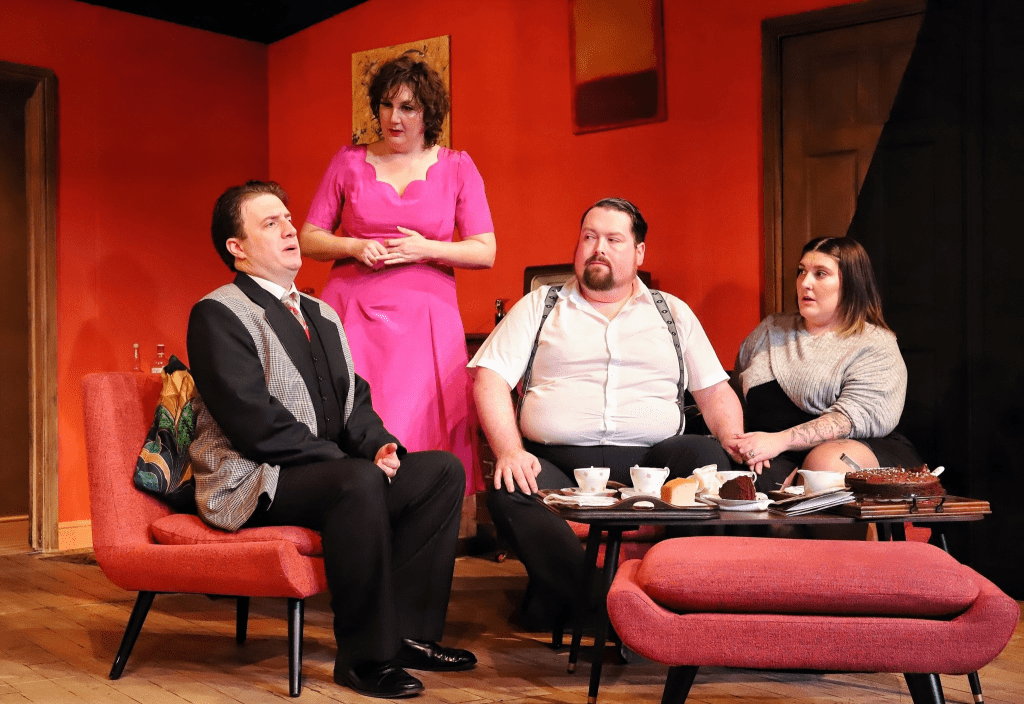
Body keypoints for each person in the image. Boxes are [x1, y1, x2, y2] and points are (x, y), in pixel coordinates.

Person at [187, 181, 475, 699]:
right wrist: (347, 461)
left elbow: (353, 401)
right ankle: (365, 659)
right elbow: (253, 423)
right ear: (237, 247)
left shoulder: (321, 314)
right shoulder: (218, 313)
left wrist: (379, 446)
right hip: (251, 479)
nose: (289, 229)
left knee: (440, 472)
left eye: (288, 218)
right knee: (356, 481)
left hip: (328, 472)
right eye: (270, 223)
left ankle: (407, 635)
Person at [468, 197, 745, 618]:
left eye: (613, 239)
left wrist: (734, 440)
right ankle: (603, 607)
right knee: (511, 487)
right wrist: (509, 450)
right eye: (589, 237)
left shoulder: (672, 313)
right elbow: (489, 378)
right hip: (557, 465)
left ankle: (679, 593)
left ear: (639, 252)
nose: (598, 248)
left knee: (709, 460)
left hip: (654, 465)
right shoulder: (540, 306)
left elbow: (715, 392)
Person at [299, 54, 495, 497]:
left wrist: (427, 249)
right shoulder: (348, 161)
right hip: (353, 310)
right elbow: (309, 237)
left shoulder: (457, 166)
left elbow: (485, 250)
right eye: (386, 105)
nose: (394, 118)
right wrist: (353, 245)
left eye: (407, 107)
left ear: (428, 113)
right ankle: (354, 507)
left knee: (419, 420)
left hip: (425, 317)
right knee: (355, 415)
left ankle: (423, 510)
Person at [731, 236, 922, 490]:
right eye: (802, 272)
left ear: (851, 283)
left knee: (823, 469)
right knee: (750, 484)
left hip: (853, 448)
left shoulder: (875, 343)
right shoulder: (770, 330)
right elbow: (734, 396)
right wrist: (744, 445)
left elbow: (850, 419)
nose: (805, 283)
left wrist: (778, 441)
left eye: (820, 274)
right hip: (772, 452)